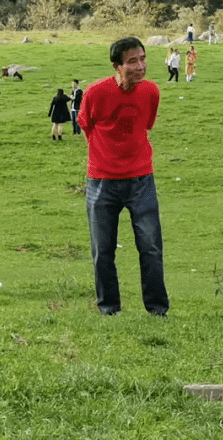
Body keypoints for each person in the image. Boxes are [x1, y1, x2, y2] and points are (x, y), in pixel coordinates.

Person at [77, 36, 169, 316]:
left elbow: (147, 125)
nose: (140, 66)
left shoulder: (151, 92)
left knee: (151, 247)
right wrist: (102, 157)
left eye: (142, 59)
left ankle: (157, 309)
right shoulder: (95, 92)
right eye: (132, 61)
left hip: (141, 180)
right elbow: (86, 125)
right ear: (117, 66)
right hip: (101, 182)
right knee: (102, 251)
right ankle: (109, 309)